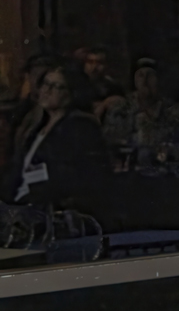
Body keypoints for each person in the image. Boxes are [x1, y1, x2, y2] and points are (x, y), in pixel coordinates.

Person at [2, 62, 109, 213]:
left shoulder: (80, 126)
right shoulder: (38, 126)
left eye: (56, 86)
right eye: (46, 84)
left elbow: (77, 177)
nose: (47, 91)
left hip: (48, 209)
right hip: (21, 203)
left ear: (71, 93)